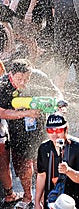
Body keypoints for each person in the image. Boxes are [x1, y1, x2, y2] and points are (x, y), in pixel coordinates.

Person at [0, 59, 41, 206]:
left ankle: (41, 196)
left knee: (41, 162)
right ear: (11, 74)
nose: (23, 82)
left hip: (38, 128)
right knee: (23, 165)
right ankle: (27, 195)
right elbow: (1, 112)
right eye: (19, 79)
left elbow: (56, 92)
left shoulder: (38, 76)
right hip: (17, 131)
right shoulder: (3, 85)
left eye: (26, 79)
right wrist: (26, 113)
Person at [35, 113, 79, 209]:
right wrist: (37, 202)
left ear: (66, 129)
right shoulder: (44, 148)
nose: (54, 134)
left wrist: (68, 171)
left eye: (58, 130)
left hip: (75, 203)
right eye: (50, 130)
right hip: (52, 202)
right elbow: (41, 175)